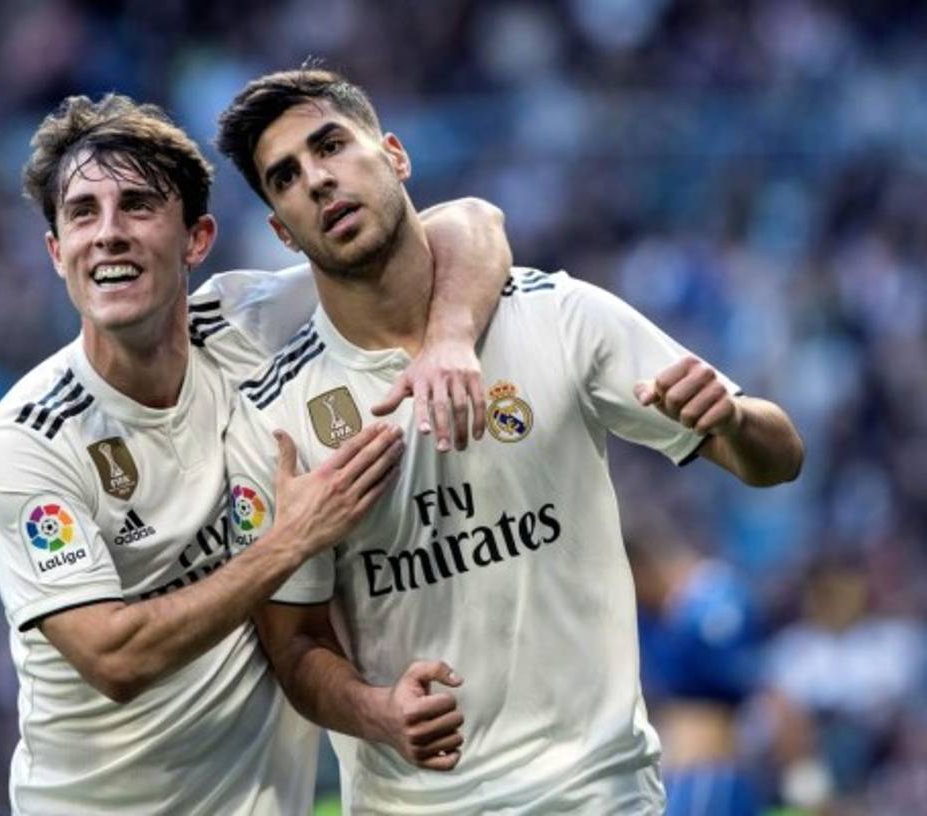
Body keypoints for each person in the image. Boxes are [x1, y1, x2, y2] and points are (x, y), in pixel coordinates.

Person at [216, 67, 805, 814]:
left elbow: (778, 459)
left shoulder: (559, 316)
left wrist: (732, 418)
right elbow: (294, 645)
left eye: (331, 145)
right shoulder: (279, 413)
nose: (318, 181)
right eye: (286, 178)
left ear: (394, 155)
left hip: (601, 794)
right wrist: (376, 712)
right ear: (280, 228)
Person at [0, 93, 511, 814]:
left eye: (136, 206)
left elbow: (466, 223)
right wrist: (288, 543)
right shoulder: (29, 439)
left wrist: (447, 338)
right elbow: (115, 657)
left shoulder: (249, 324)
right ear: (55, 251)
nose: (107, 234)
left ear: (197, 240)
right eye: (82, 215)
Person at [628, 526, 763, 815]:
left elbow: (734, 680)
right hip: (668, 767)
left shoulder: (716, 591)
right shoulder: (647, 616)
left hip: (710, 768)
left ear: (642, 570)